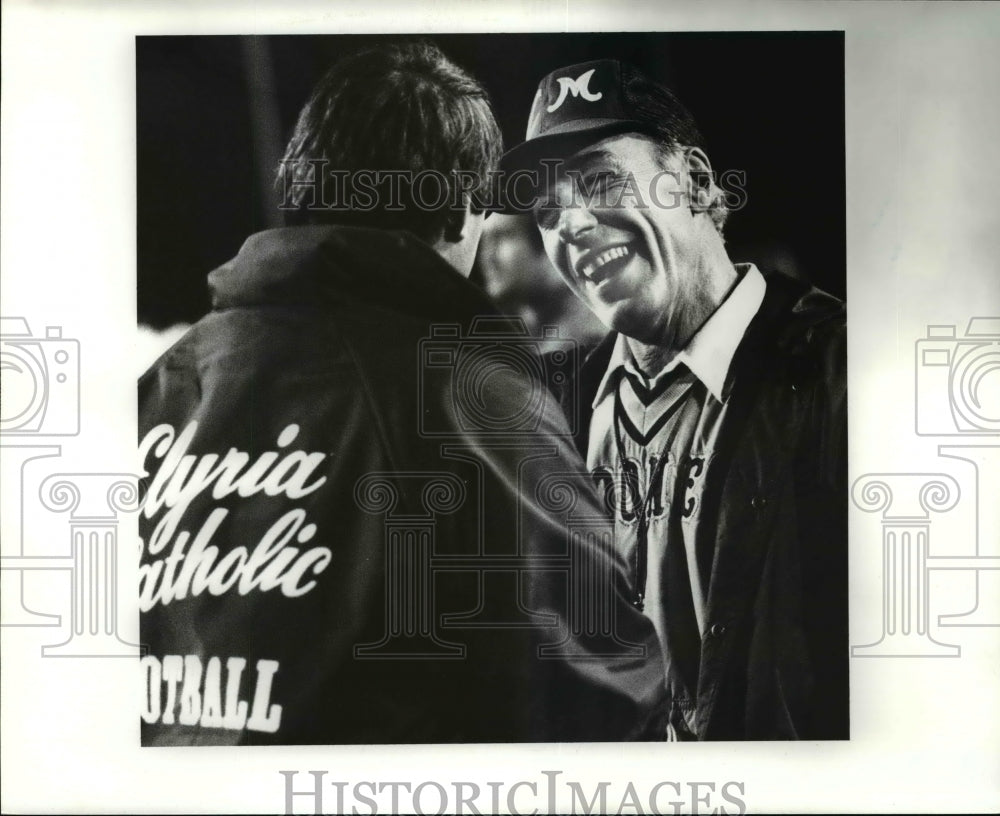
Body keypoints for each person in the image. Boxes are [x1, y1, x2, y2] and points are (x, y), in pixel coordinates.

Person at [137, 43, 666, 745]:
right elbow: (593, 686)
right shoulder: (463, 393)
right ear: (461, 215)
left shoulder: (158, 390)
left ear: (300, 182)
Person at [501, 59, 848, 740]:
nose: (569, 224)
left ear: (691, 179)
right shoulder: (557, 413)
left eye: (599, 179)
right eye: (546, 211)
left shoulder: (845, 373)